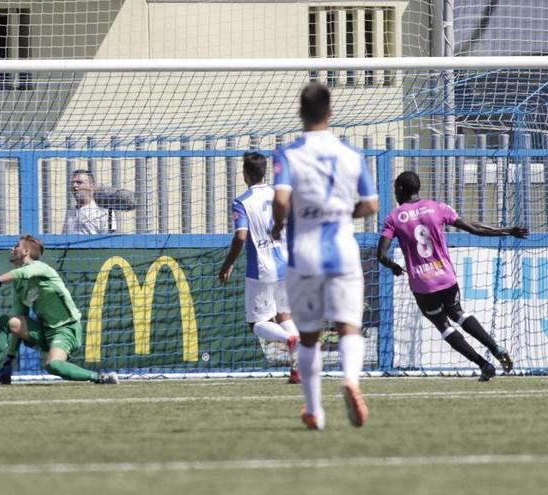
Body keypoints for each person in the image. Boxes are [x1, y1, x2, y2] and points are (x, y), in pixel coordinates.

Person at [270, 82, 379, 430]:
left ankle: (315, 410)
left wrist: (278, 224)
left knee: (309, 336)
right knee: (349, 326)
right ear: (331, 113)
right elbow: (372, 204)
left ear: (300, 113)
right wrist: (343, 213)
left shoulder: (288, 154)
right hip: (343, 251)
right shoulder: (352, 155)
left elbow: (282, 200)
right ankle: (351, 380)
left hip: (304, 253)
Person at [377, 171, 526, 381]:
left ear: (400, 190)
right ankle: (495, 348)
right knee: (458, 313)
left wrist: (393, 266)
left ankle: (484, 365)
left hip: (423, 284)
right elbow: (473, 228)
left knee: (443, 325)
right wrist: (506, 230)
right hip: (446, 278)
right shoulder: (438, 207)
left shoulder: (394, 217)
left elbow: (381, 255)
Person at [0, 234, 119, 386]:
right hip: (44, 331)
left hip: (66, 329)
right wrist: (9, 359)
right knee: (7, 321)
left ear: (26, 252)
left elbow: (23, 272)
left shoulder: (40, 268)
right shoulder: (18, 284)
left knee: (53, 365)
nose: (12, 248)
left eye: (16, 246)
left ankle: (100, 378)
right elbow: (19, 320)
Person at [219, 151, 301, 384]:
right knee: (284, 315)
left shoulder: (242, 201)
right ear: (264, 172)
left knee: (256, 324)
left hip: (261, 270)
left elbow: (241, 236)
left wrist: (228, 264)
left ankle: (290, 341)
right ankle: (296, 369)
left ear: (245, 174)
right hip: (286, 265)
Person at [63, 169, 113, 234]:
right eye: (73, 183)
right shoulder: (70, 212)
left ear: (91, 186)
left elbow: (108, 240)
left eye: (79, 182)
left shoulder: (104, 211)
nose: (74, 186)